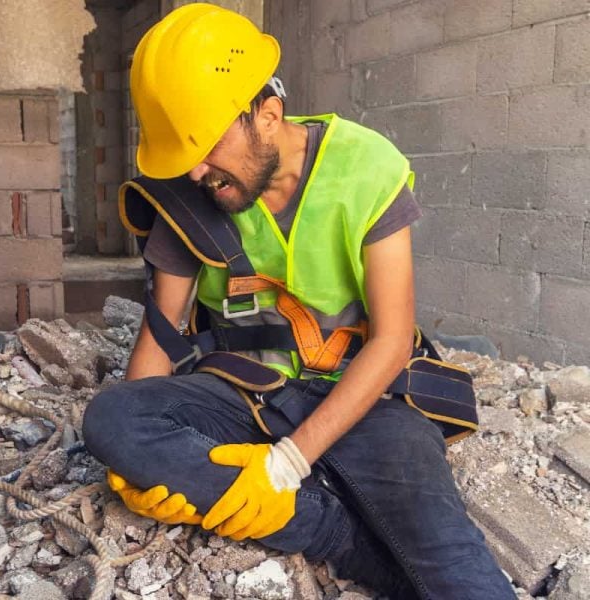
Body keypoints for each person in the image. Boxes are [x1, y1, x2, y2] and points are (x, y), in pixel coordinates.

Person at [83, 4, 515, 598]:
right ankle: (332, 531)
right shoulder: (186, 196)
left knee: (456, 568)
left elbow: (392, 340)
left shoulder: (365, 168)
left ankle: (328, 513)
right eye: (184, 159)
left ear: (267, 114)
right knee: (112, 418)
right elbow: (160, 335)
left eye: (207, 149)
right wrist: (130, 453)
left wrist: (286, 464)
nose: (197, 173)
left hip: (364, 396)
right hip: (243, 395)